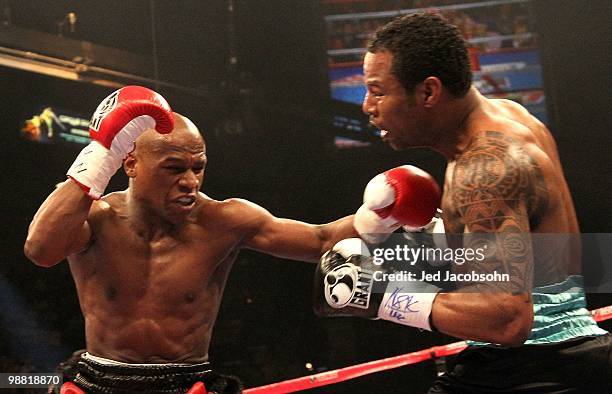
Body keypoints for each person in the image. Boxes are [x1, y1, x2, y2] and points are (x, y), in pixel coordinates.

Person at [314, 13, 611, 392]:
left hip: (530, 369)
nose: (366, 106)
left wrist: (384, 296)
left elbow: (508, 320)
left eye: (377, 90)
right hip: (566, 358)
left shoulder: (484, 167)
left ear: (428, 92)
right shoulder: (511, 116)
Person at [24, 86, 364, 394]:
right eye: (174, 168)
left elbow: (321, 240)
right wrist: (101, 153)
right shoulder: (95, 217)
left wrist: (382, 214)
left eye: (197, 167)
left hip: (188, 382)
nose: (190, 181)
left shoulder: (223, 221)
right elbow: (41, 250)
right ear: (129, 163)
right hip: (98, 380)